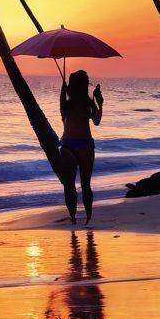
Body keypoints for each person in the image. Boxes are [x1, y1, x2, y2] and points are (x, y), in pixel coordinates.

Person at [59, 70, 103, 226]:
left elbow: (62, 115)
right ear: (85, 85)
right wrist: (100, 102)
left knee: (69, 185)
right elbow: (97, 121)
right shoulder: (88, 103)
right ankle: (88, 216)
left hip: (68, 144)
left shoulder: (68, 102)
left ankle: (73, 216)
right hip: (84, 144)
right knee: (85, 184)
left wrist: (63, 89)